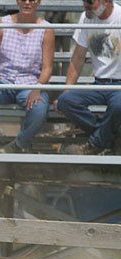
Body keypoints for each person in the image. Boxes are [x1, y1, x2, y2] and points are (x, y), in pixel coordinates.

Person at [0, 0, 55, 154]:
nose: (27, 3)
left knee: (40, 106)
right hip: (4, 80)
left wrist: (38, 87)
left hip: (29, 84)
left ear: (38, 2)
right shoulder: (3, 24)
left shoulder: (46, 29)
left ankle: (20, 143)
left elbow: (47, 68)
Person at [56, 0, 121, 155]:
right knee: (65, 101)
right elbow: (78, 58)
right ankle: (110, 138)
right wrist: (66, 90)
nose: (86, 5)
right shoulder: (86, 18)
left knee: (118, 105)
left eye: (90, 2)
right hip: (98, 83)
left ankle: (95, 144)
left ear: (106, 2)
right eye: (84, 1)